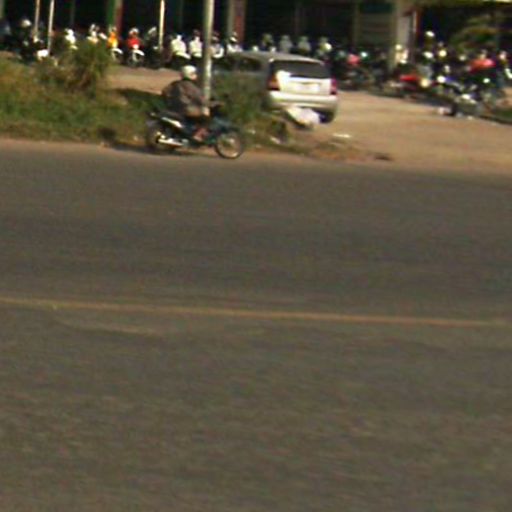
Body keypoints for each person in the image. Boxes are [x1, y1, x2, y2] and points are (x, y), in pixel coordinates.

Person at [161, 65, 209, 142]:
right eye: (194, 73)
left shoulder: (175, 83)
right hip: (187, 110)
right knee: (206, 120)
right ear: (190, 74)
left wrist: (168, 101)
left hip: (173, 109)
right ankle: (196, 136)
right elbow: (200, 99)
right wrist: (211, 104)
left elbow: (164, 92)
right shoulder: (191, 86)